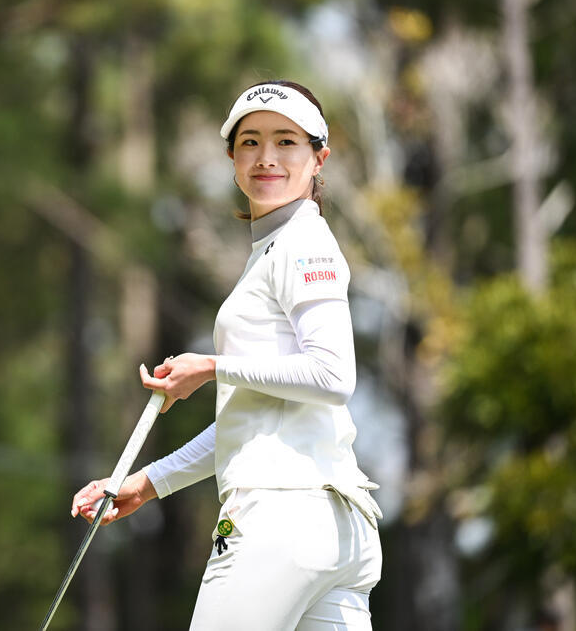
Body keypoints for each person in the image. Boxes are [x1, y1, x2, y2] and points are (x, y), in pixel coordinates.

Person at [71, 80, 383, 629]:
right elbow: (250, 420)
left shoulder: (302, 243)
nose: (267, 157)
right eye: (250, 142)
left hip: (279, 517)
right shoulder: (275, 248)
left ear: (319, 158)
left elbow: (333, 374)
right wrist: (148, 483)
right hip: (337, 530)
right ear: (233, 159)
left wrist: (210, 367)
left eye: (286, 141)